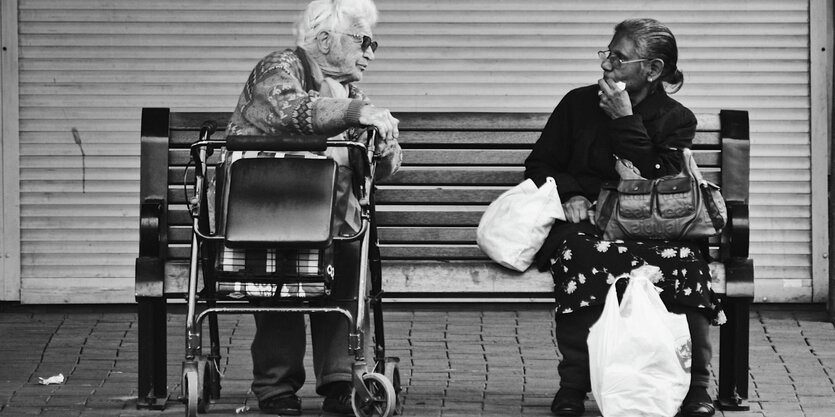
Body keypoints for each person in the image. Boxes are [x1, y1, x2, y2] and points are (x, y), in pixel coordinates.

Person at [524, 19, 721, 417]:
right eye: (607, 54)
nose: (606, 66)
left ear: (653, 69)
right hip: (589, 224)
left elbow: (662, 179)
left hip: (656, 225)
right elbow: (539, 164)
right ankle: (574, 384)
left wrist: (625, 121)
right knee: (580, 256)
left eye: (619, 58)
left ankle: (697, 385)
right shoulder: (577, 104)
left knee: (685, 263)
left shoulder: (676, 118)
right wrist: (571, 193)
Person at [223, 0, 401, 415]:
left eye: (374, 43)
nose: (371, 52)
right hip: (268, 213)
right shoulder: (280, 67)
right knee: (279, 285)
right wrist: (359, 114)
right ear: (324, 39)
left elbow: (389, 164)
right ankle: (276, 387)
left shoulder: (350, 92)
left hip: (333, 220)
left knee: (346, 268)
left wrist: (383, 141)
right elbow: (289, 110)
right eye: (364, 41)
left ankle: (341, 380)